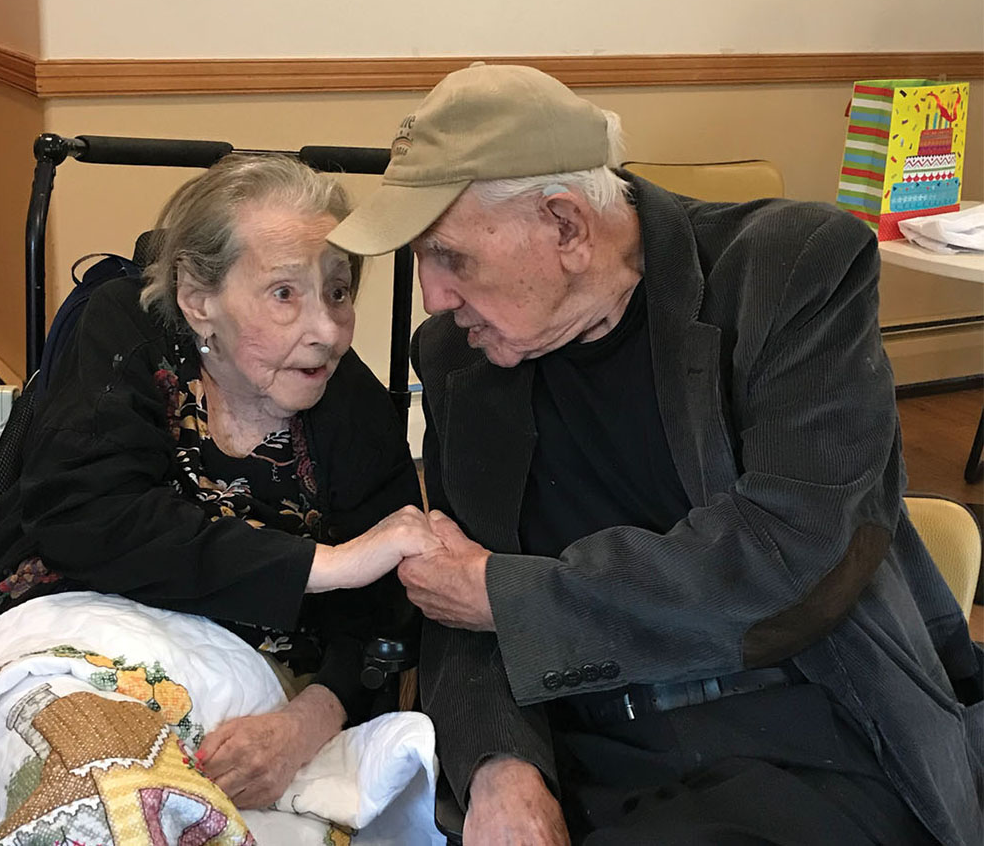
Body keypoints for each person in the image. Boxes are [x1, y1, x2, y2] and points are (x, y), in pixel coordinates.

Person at [327, 63, 983, 846]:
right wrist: (502, 767)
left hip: (807, 733)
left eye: (450, 256)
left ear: (566, 225)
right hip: (591, 750)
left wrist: (511, 595)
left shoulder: (787, 270)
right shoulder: (459, 358)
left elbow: (795, 555)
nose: (432, 295)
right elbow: (455, 605)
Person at [0, 153, 439, 810]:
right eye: (283, 293)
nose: (327, 330)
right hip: (59, 628)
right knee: (66, 778)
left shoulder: (349, 406)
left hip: (241, 694)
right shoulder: (126, 330)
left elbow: (381, 620)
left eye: (337, 291)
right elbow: (89, 518)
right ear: (197, 297)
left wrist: (304, 725)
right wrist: (323, 563)